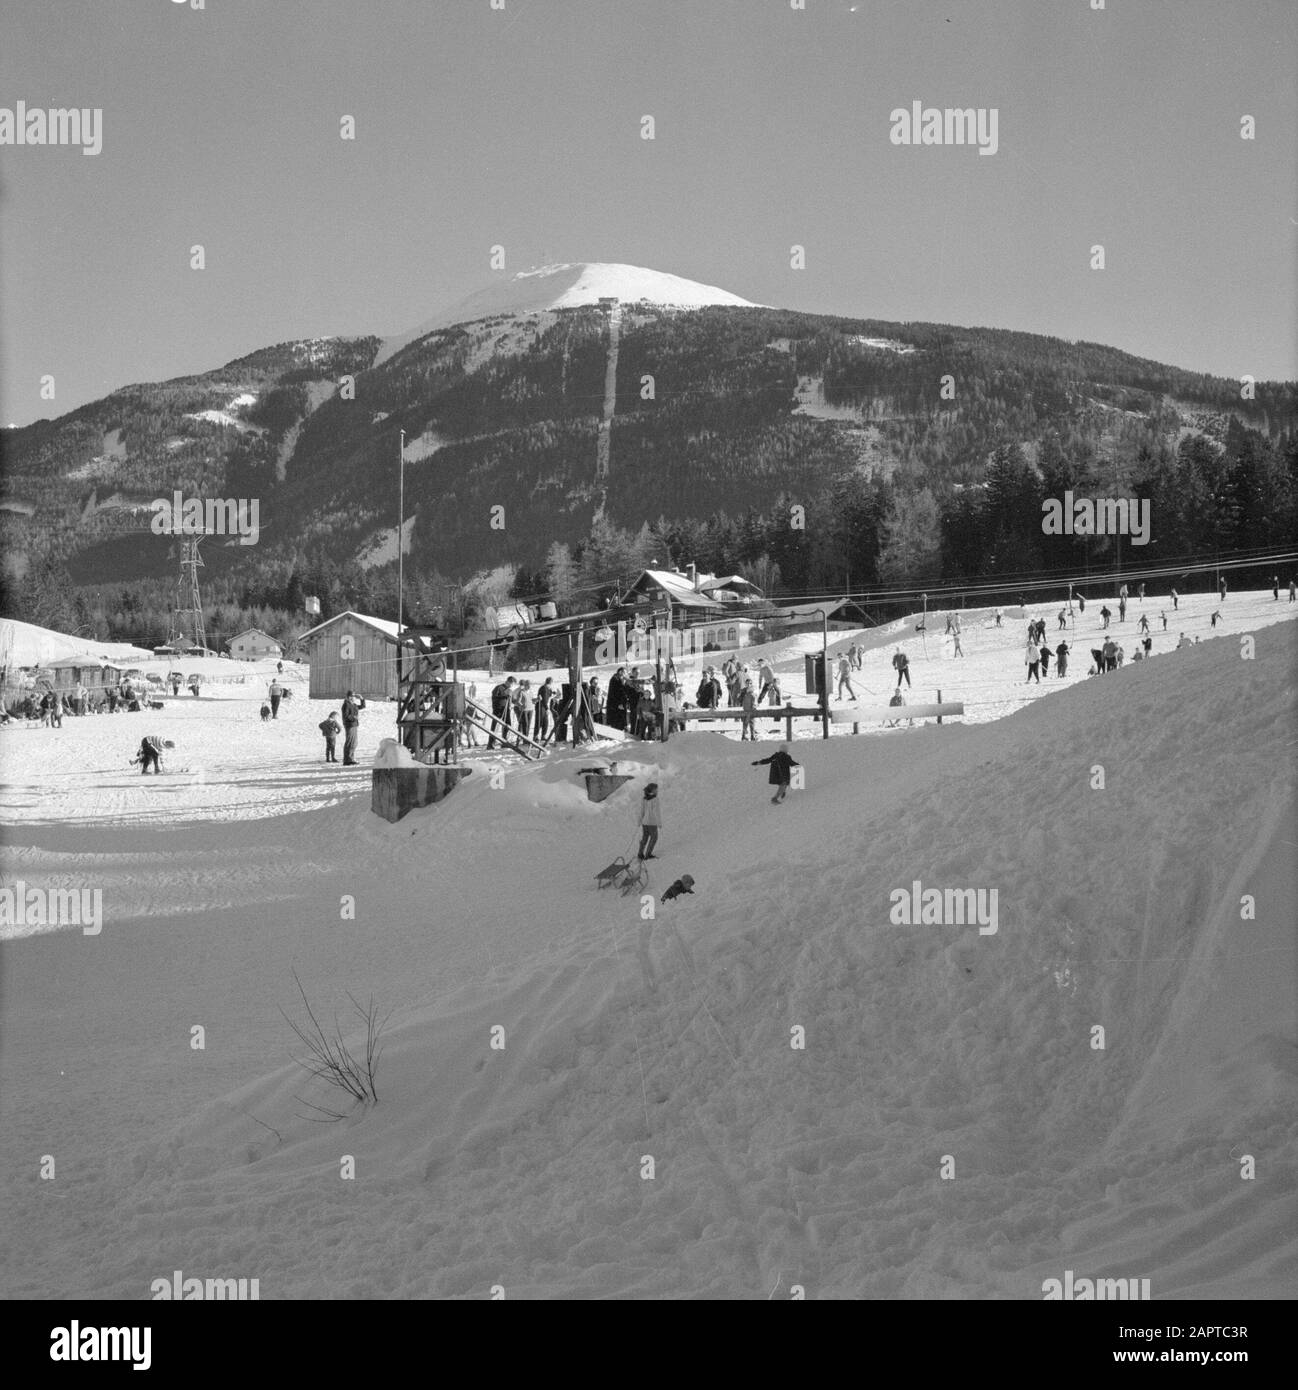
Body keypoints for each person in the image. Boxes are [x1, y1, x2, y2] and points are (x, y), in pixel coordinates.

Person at [637, 782, 661, 859]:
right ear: (653, 790)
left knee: (645, 838)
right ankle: (648, 854)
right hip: (652, 822)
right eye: (656, 789)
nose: (657, 791)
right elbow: (656, 812)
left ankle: (640, 854)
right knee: (654, 838)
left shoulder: (644, 799)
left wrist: (639, 820)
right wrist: (659, 823)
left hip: (645, 823)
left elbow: (641, 811)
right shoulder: (655, 799)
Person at [341, 689, 366, 764]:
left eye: (353, 696)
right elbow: (346, 716)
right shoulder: (346, 704)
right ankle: (347, 760)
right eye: (351, 696)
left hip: (354, 725)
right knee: (350, 742)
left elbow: (362, 706)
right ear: (348, 697)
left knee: (354, 743)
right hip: (349, 725)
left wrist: (361, 698)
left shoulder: (353, 704)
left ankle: (351, 758)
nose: (352, 697)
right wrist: (354, 717)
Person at [535, 677, 555, 743]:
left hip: (545, 706)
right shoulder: (544, 688)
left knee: (545, 722)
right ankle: (536, 736)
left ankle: (543, 735)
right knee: (539, 721)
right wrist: (547, 709)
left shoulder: (548, 688)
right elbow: (544, 699)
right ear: (550, 682)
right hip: (541, 706)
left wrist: (554, 693)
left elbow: (550, 693)